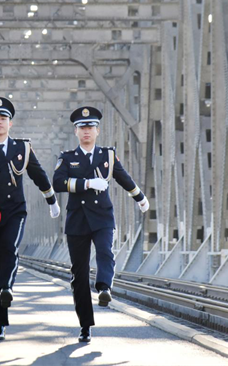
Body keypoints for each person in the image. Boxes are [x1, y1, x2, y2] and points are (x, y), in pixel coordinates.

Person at [0, 96, 61, 341]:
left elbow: (39, 175)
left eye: (3, 118)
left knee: (10, 249)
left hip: (15, 211)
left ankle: (7, 288)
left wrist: (52, 201)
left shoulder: (22, 148)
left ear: (10, 123)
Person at [52, 106, 149, 343]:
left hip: (103, 217)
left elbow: (123, 177)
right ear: (76, 131)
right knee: (79, 274)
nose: (87, 131)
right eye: (82, 127)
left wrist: (140, 197)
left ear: (97, 130)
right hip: (77, 221)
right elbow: (58, 183)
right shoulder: (67, 158)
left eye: (90, 127)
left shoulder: (107, 155)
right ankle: (85, 325)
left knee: (106, 251)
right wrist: (86, 184)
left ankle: (104, 287)